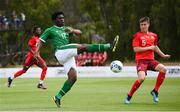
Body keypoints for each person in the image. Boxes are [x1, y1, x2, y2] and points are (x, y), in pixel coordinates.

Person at [34, 11, 119, 108]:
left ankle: (58, 97)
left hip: (67, 56)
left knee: (73, 77)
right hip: (61, 52)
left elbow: (80, 33)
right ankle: (109, 46)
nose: (62, 19)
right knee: (83, 46)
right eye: (59, 18)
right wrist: (36, 52)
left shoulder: (66, 29)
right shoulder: (50, 30)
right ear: (55, 20)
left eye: (63, 18)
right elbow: (41, 41)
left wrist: (73, 30)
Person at [124, 17, 171, 104]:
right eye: (141, 25)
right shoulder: (137, 36)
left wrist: (163, 55)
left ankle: (155, 91)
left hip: (151, 60)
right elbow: (136, 49)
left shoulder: (154, 35)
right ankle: (129, 95)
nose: (143, 26)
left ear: (148, 25)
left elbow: (155, 47)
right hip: (141, 61)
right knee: (141, 78)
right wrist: (149, 47)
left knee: (163, 69)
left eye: (145, 24)